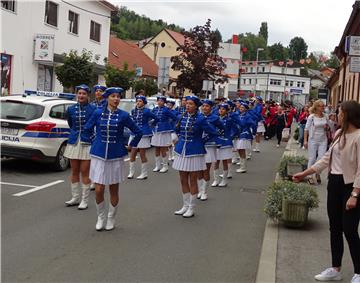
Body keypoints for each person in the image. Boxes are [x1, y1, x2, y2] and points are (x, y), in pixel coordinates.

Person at [293, 101, 360, 283]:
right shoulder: (339, 134)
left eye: (339, 113)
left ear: (348, 115)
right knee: (335, 228)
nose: (336, 116)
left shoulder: (359, 136)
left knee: (350, 230)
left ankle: (359, 272)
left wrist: (355, 194)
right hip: (335, 184)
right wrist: (305, 173)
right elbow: (325, 158)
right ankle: (335, 268)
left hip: (351, 186)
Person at [84, 87, 142, 231]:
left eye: (118, 96)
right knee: (98, 189)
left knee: (114, 189)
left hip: (116, 155)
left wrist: (130, 145)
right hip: (98, 154)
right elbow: (86, 130)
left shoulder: (123, 115)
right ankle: (100, 217)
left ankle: (111, 218)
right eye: (113, 96)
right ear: (107, 98)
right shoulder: (98, 113)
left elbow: (138, 131)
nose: (116, 99)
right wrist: (95, 141)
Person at [172, 95, 217, 217]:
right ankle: (185, 206)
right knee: (182, 179)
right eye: (187, 103)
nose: (187, 105)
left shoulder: (201, 119)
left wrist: (202, 141)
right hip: (182, 150)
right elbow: (176, 129)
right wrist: (177, 137)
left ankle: (191, 207)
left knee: (192, 180)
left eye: (191, 104)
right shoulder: (182, 116)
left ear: (196, 106)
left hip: (195, 152)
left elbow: (214, 132)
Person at [64, 84, 96, 209]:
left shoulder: (93, 109)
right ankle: (75, 197)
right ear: (76, 94)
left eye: (84, 94)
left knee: (85, 172)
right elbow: (71, 124)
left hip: (87, 142)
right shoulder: (71, 109)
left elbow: (95, 125)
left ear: (88, 95)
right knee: (74, 171)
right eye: (79, 93)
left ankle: (84, 200)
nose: (81, 96)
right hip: (73, 142)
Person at [197, 99, 224, 200]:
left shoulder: (215, 118)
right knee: (199, 169)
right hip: (199, 145)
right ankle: (200, 190)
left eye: (207, 106)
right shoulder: (198, 117)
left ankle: (204, 192)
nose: (204, 108)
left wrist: (214, 135)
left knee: (206, 169)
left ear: (211, 108)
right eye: (203, 106)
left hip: (209, 145)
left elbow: (222, 128)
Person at [128, 94, 158, 180]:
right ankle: (131, 172)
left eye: (140, 101)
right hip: (134, 133)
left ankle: (144, 173)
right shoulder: (133, 111)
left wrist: (151, 124)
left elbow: (156, 118)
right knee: (132, 152)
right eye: (137, 101)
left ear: (144, 103)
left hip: (143, 134)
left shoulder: (147, 111)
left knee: (142, 154)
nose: (138, 103)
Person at [304, 99, 330, 185]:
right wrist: (305, 140)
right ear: (317, 107)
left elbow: (329, 127)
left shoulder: (325, 116)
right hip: (313, 139)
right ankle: (309, 176)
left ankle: (318, 173)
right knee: (312, 158)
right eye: (321, 106)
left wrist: (327, 127)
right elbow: (306, 129)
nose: (323, 107)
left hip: (323, 139)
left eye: (323, 106)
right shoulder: (311, 117)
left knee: (321, 158)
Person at [211, 103, 237, 187]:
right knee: (216, 161)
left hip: (226, 143)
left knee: (225, 161)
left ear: (226, 111)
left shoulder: (229, 120)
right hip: (217, 142)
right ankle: (216, 180)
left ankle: (224, 180)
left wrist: (231, 137)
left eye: (223, 109)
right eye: (220, 109)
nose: (220, 110)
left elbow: (236, 129)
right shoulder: (216, 119)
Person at [151, 96, 178, 173]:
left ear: (164, 102)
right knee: (156, 148)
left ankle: (165, 166)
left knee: (163, 148)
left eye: (161, 101)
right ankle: (157, 165)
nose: (160, 102)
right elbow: (151, 117)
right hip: (156, 130)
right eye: (158, 101)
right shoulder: (155, 109)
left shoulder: (166, 110)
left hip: (164, 131)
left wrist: (168, 123)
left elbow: (174, 118)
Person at [234, 101, 256, 173]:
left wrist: (252, 132)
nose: (241, 108)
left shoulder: (247, 116)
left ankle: (243, 167)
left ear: (246, 109)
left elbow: (253, 124)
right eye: (240, 107)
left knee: (241, 150)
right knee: (239, 150)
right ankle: (242, 165)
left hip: (244, 134)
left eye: (243, 107)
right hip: (239, 134)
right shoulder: (239, 115)